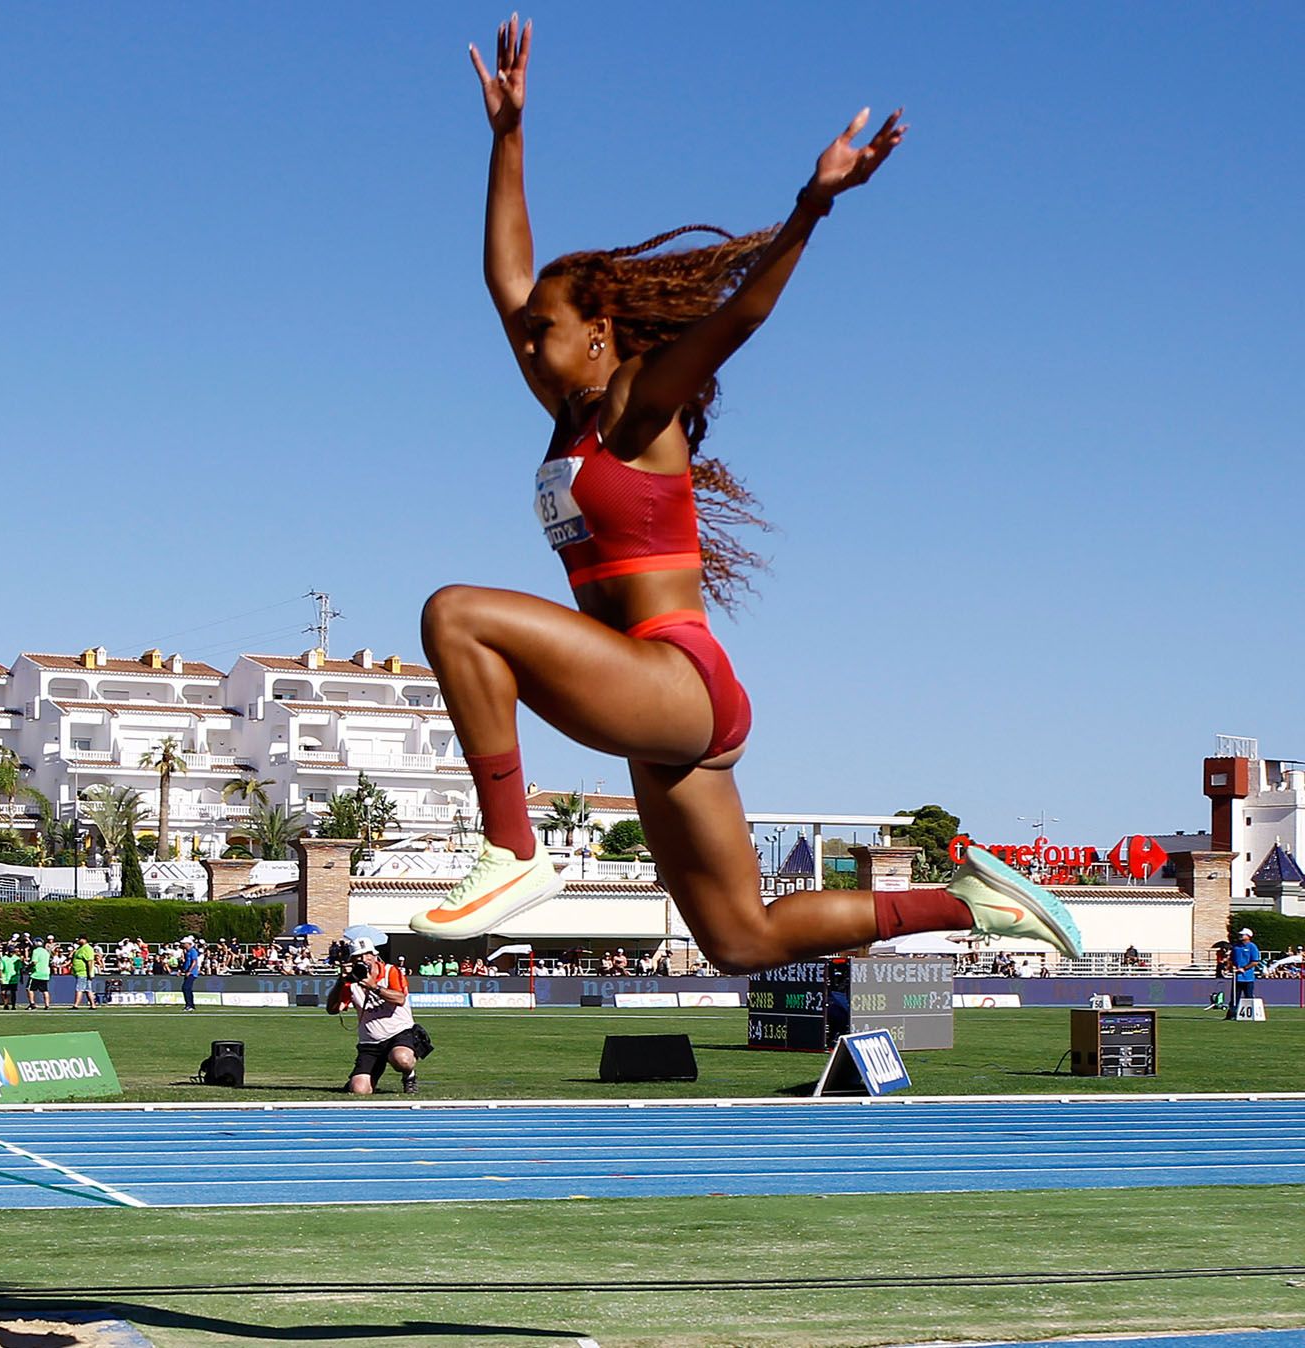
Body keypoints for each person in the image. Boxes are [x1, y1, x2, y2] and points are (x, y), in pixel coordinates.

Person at [407, 15, 1080, 976]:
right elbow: (505, 277)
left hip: (672, 680)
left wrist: (811, 208)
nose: (523, 340)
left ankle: (513, 850)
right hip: (651, 699)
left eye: (541, 330)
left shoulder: (638, 405)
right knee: (737, 938)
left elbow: (740, 317)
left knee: (456, 616)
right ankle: (968, 901)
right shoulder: (569, 413)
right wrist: (508, 137)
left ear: (600, 328)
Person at [327, 933, 421, 1095]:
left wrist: (374, 987)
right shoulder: (351, 981)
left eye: (367, 955)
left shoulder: (391, 971)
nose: (364, 959)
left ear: (374, 956)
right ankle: (360, 1079)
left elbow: (400, 999)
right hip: (370, 1041)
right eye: (358, 956)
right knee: (359, 1090)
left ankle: (409, 1076)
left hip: (398, 1033)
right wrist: (340, 981)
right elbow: (333, 1009)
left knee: (402, 1059)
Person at [1230, 927, 1262, 1019]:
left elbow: (1255, 961)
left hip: (1248, 977)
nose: (1240, 936)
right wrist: (1231, 966)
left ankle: (1250, 1014)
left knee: (1248, 996)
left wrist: (1244, 968)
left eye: (1242, 935)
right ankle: (1232, 1014)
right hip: (1237, 977)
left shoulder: (1252, 947)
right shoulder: (1236, 947)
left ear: (1248, 936)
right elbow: (1232, 960)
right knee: (1235, 997)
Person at [71, 938, 99, 1009]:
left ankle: (76, 1004)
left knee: (79, 989)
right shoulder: (80, 948)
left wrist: (90, 972)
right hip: (81, 973)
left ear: (84, 940)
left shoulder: (87, 948)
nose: (77, 941)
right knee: (88, 989)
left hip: (83, 973)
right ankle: (93, 1005)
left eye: (79, 939)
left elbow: (90, 961)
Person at [178, 936, 202, 1011]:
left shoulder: (193, 951)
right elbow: (186, 962)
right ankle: (190, 1005)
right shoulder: (187, 952)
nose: (182, 944)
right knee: (186, 988)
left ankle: (189, 1005)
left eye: (184, 943)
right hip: (188, 972)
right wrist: (182, 971)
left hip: (192, 973)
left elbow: (194, 962)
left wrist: (189, 971)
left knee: (186, 988)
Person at [0, 945, 21, 1010]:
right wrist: (1, 978)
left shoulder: (17, 959)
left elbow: (20, 969)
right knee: (3, 992)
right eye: (10, 951)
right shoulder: (4, 958)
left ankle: (13, 1005)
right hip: (5, 978)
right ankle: (6, 1004)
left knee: (13, 993)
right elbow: (0, 969)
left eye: (13, 952)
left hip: (14, 978)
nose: (11, 953)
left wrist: (21, 977)